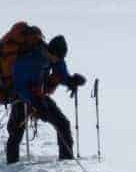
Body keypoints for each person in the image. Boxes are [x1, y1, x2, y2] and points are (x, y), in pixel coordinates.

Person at [6, 34, 85, 164]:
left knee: (63, 123)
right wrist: (35, 103)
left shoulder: (56, 58)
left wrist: (71, 81)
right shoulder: (29, 60)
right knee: (15, 132)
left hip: (39, 96)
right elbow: (20, 86)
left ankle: (66, 162)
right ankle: (11, 166)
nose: (57, 61)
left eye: (60, 58)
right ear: (50, 51)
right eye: (56, 57)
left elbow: (61, 72)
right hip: (21, 98)